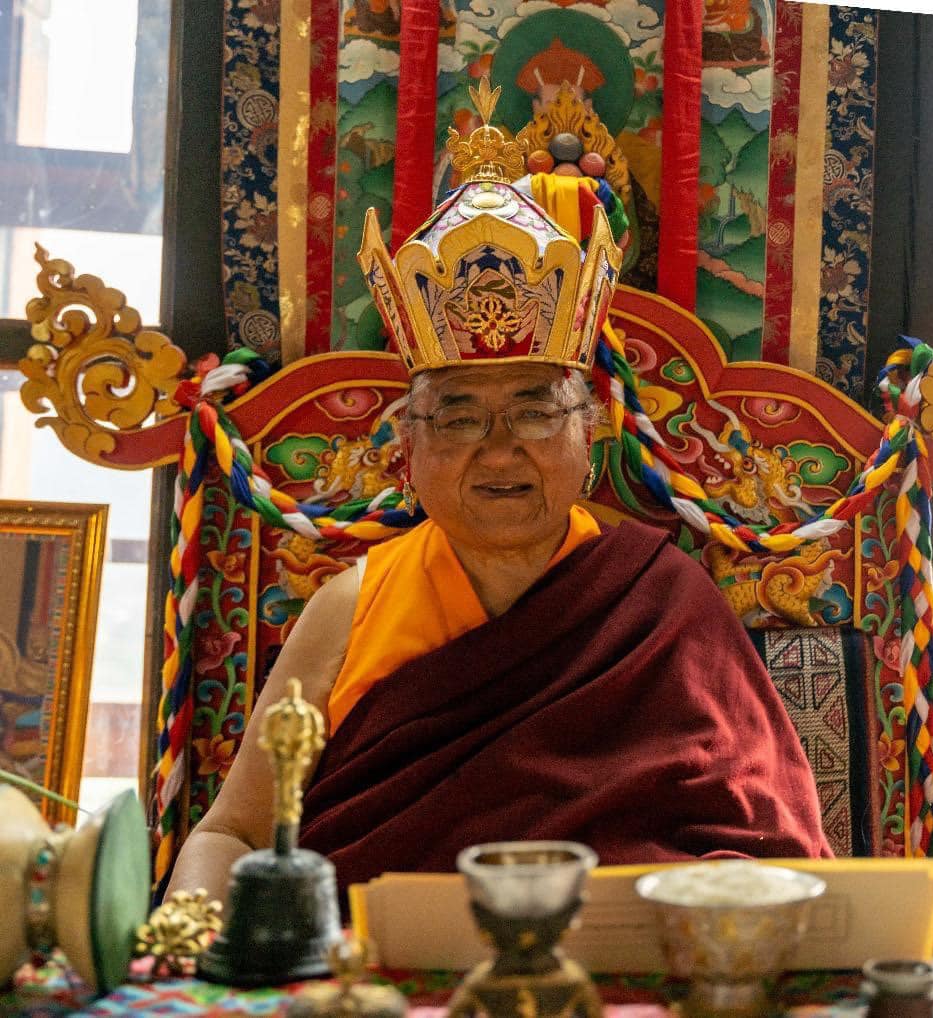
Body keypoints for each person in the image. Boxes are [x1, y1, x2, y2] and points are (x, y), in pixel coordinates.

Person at [167, 90, 830, 906]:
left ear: (590, 435)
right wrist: (190, 932)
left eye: (533, 409)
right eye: (458, 415)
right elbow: (231, 832)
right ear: (407, 448)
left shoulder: (663, 604)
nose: (499, 446)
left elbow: (769, 846)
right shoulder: (351, 607)